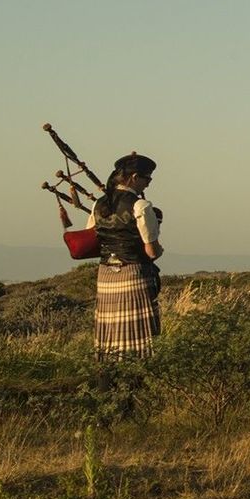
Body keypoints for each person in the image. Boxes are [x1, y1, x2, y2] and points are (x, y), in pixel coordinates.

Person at [87, 153, 162, 361]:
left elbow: (92, 236)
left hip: (105, 276)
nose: (147, 184)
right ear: (135, 177)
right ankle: (137, 377)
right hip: (133, 274)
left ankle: (107, 377)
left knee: (110, 335)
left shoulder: (99, 204)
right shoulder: (141, 206)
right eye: (148, 179)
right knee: (138, 336)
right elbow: (152, 252)